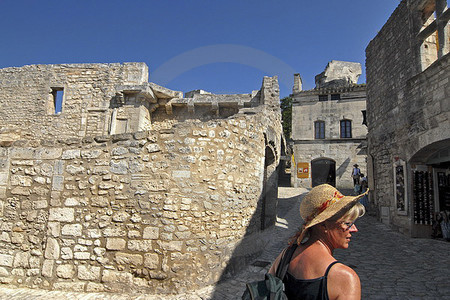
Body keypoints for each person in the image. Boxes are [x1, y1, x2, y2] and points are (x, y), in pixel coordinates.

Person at [268, 184, 368, 300]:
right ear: (323, 225)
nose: (354, 229)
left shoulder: (285, 256)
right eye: (347, 223)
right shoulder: (344, 278)